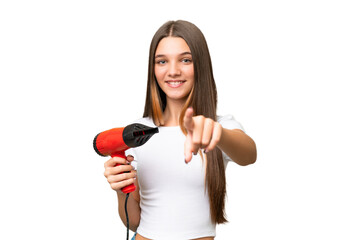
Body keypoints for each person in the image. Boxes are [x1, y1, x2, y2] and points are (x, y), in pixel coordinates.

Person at [103, 20, 257, 240]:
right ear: (153, 69)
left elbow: (249, 155)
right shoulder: (136, 134)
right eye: (162, 61)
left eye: (185, 60)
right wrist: (121, 191)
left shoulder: (219, 127)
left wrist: (218, 133)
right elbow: (134, 221)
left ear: (200, 65)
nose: (173, 71)